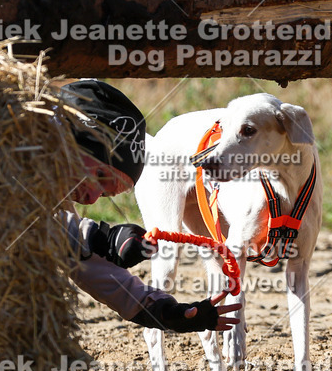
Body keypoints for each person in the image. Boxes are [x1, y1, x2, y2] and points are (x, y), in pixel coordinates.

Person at [55, 79, 241, 333]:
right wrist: (99, 238)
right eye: (100, 176)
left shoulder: (54, 193)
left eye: (105, 194)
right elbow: (26, 220)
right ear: (74, 137)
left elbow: (85, 264)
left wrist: (165, 312)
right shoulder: (0, 149)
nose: (90, 199)